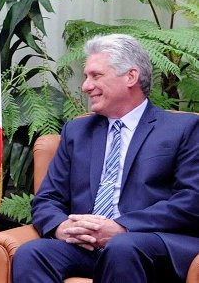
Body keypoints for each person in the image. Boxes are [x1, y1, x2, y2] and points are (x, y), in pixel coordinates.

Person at [12, 34, 199, 282]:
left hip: (151, 243)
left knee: (122, 247)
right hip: (87, 246)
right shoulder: (76, 132)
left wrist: (122, 227)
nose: (85, 86)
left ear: (131, 77)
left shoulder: (184, 128)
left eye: (96, 75)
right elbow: (48, 198)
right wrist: (62, 227)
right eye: (86, 77)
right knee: (31, 253)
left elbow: (191, 200)